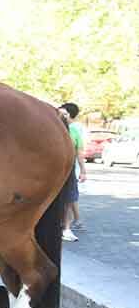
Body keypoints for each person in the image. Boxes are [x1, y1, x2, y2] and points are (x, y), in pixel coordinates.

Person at [59, 103, 87, 241]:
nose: (60, 116)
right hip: (56, 170)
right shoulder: (55, 128)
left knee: (69, 199)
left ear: (70, 116)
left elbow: (80, 153)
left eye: (64, 114)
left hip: (68, 170)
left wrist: (83, 171)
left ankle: (67, 228)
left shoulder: (74, 131)